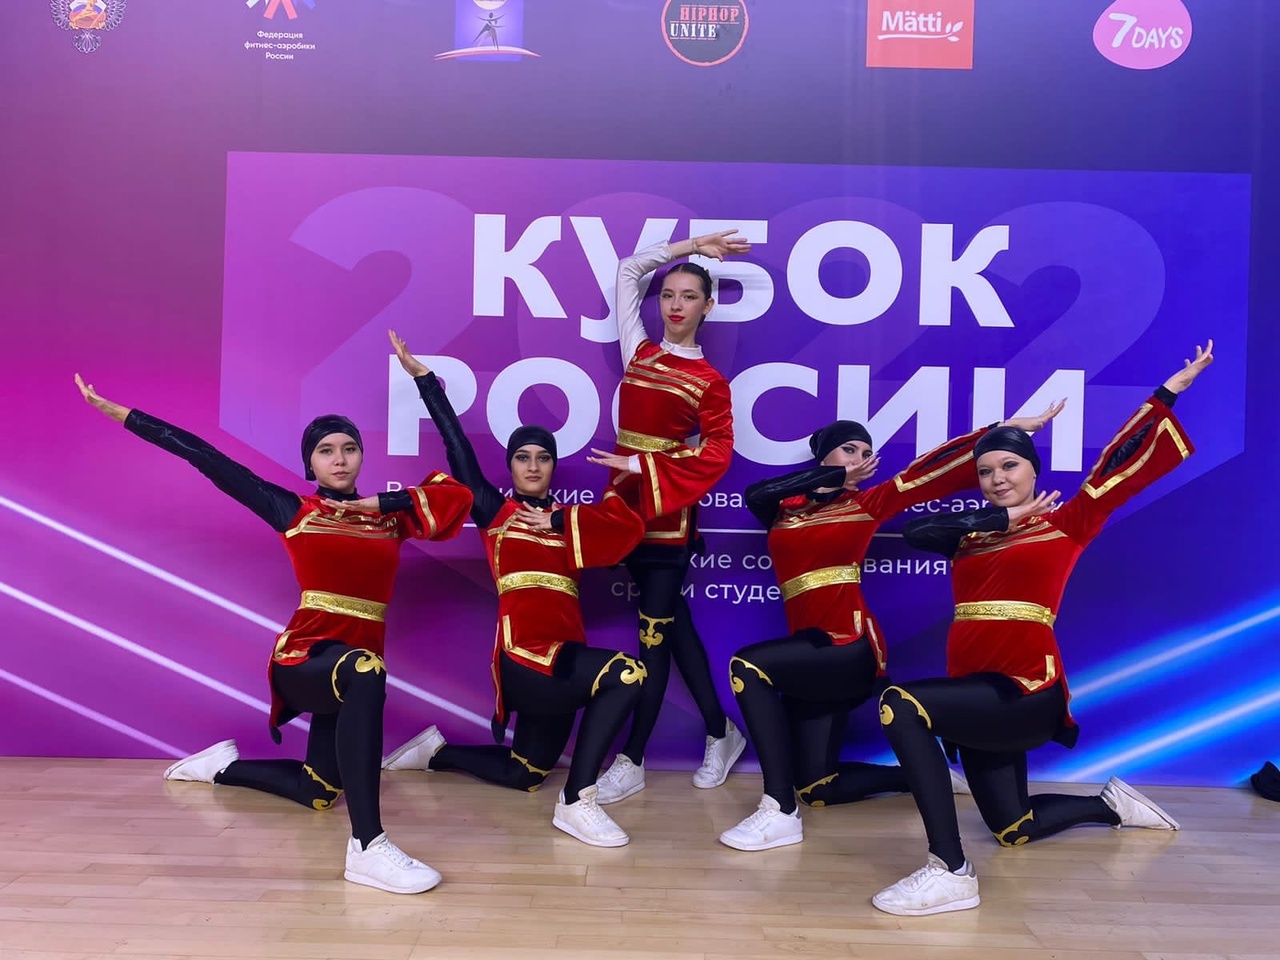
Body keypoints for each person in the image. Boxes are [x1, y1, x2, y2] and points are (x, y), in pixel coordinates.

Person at [73, 373, 473, 895]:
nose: (339, 459)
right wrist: (128, 417)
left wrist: (390, 496)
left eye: (349, 448)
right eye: (326, 451)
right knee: (367, 669)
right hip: (305, 656)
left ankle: (220, 768)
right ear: (310, 464)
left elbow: (461, 494)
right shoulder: (296, 512)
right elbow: (206, 457)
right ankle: (367, 846)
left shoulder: (388, 521)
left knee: (318, 790)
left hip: (350, 669)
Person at [870, 341, 1213, 917]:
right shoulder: (971, 534)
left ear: (1034, 468)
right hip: (977, 690)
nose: (997, 478)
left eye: (1009, 465)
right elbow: (916, 534)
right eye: (985, 471)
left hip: (1026, 688)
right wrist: (1004, 506)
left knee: (900, 704)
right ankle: (1111, 806)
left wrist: (1167, 393)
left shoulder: (1069, 522)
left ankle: (950, 870)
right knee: (1014, 826)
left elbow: (1119, 464)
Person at [718, 404, 1062, 851]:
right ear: (825, 456)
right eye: (849, 449)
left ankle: (778, 810)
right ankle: (921, 776)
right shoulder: (783, 510)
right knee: (818, 788)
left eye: (867, 453)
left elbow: (930, 473)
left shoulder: (868, 503)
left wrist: (1000, 430)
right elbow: (757, 493)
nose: (861, 459)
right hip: (808, 652)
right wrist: (832, 476)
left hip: (847, 645)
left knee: (748, 667)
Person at [380, 331, 649, 846]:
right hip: (525, 657)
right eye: (522, 457)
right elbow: (458, 451)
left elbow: (628, 532)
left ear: (552, 466)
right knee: (627, 674)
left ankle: (435, 753)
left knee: (524, 773)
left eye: (542, 457)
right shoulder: (496, 513)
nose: (532, 465)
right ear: (510, 465)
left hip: (566, 659)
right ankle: (577, 800)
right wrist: (426, 381)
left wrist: (565, 519)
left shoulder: (571, 521)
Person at [587, 231, 751, 804]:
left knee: (652, 637)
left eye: (689, 296)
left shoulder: (710, 384)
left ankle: (632, 758)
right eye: (669, 295)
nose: (676, 305)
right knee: (671, 624)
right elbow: (628, 270)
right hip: (622, 510)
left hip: (667, 519)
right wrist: (690, 246)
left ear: (708, 307)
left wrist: (640, 462)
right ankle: (721, 730)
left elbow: (717, 453)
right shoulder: (639, 351)